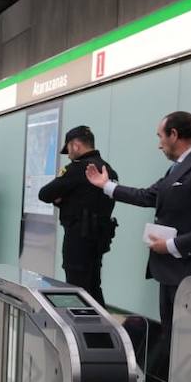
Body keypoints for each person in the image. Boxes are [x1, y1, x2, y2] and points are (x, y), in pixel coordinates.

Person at [85, 110, 191, 382]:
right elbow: (148, 196)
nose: (159, 144)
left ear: (175, 135)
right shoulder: (179, 168)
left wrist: (174, 245)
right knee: (177, 340)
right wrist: (106, 186)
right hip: (171, 274)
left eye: (160, 136)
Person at [38, 125, 118, 307]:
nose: (69, 155)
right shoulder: (109, 170)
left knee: (77, 288)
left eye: (69, 150)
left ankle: (83, 333)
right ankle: (101, 332)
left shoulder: (77, 169)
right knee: (94, 286)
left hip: (78, 237)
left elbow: (44, 194)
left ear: (75, 145)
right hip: (100, 238)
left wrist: (61, 200)